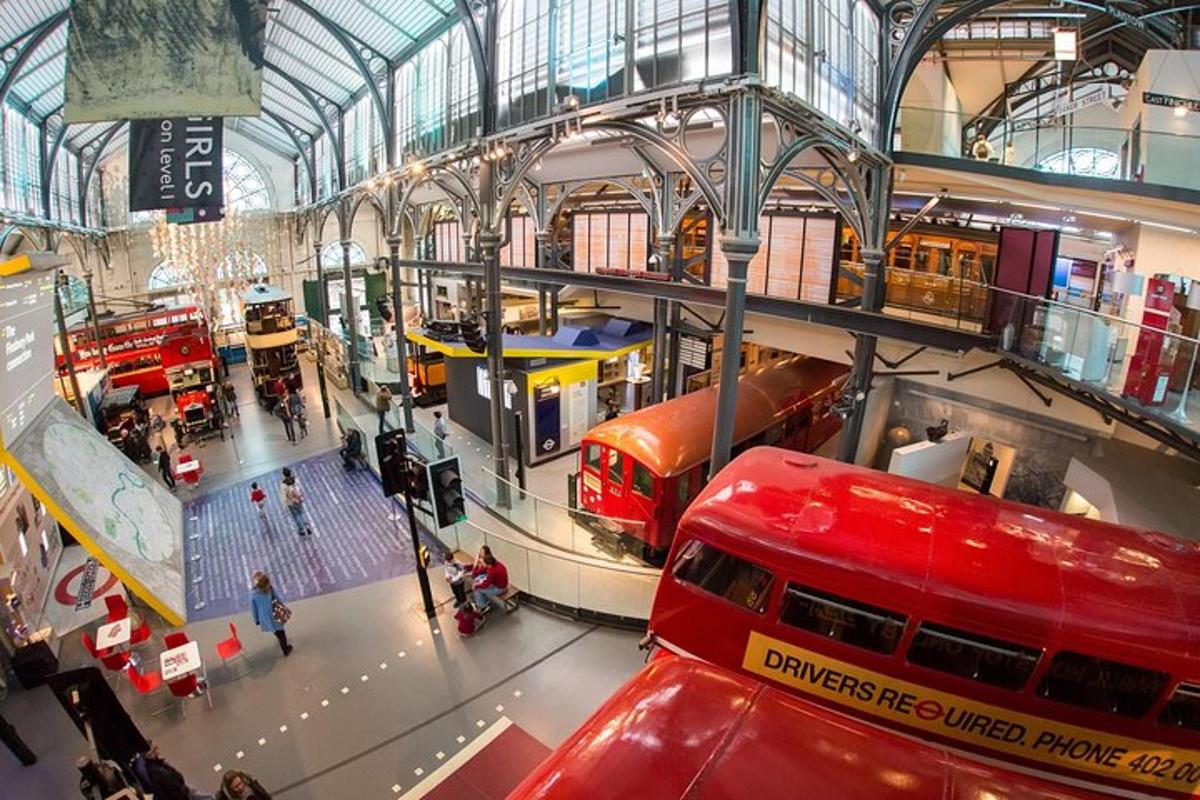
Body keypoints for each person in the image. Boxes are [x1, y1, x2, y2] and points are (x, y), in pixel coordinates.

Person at [132, 741, 213, 800]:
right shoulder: (159, 771)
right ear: (150, 755)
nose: (158, 750)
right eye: (155, 749)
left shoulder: (154, 767)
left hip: (183, 790)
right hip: (185, 794)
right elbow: (175, 790)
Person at [250, 571, 292, 656]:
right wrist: (284, 608)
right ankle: (285, 650)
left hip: (265, 618)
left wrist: (256, 620)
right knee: (281, 633)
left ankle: (278, 637)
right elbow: (278, 599)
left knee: (275, 631)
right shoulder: (270, 589)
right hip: (275, 614)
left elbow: (254, 609)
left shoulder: (253, 594)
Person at [471, 545, 509, 613]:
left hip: (500, 588)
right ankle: (483, 601)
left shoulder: (492, 571)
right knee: (478, 581)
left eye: (483, 563)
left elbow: (486, 584)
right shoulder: (498, 564)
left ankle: (483, 606)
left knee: (477, 588)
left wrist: (476, 585)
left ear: (488, 564)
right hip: (501, 584)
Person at [280, 468, 313, 536]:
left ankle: (301, 530)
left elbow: (284, 496)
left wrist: (284, 505)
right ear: (290, 473)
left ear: (284, 475)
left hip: (291, 502)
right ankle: (307, 526)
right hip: (298, 499)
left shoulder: (283, 484)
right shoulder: (295, 479)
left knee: (296, 516)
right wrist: (301, 496)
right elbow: (300, 488)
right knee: (302, 513)